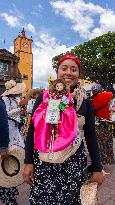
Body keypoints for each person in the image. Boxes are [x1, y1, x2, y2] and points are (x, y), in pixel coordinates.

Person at [24, 53, 104, 205]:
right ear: (57, 72)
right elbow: (32, 131)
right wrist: (28, 162)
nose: (68, 72)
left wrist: (97, 168)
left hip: (73, 165)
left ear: (78, 74)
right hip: (44, 163)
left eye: (73, 69)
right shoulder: (43, 98)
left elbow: (91, 136)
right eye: (64, 68)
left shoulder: (85, 102)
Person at [0, 79, 26, 205]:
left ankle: (11, 188)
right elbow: (5, 114)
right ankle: (7, 192)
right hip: (8, 130)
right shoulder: (4, 100)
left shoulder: (15, 99)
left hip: (15, 129)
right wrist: (17, 111)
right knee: (7, 161)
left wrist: (21, 112)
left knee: (17, 157)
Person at [92, 84, 114, 164]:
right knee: (108, 141)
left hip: (97, 123)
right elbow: (111, 94)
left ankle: (103, 159)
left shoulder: (92, 99)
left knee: (100, 142)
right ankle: (110, 159)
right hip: (106, 122)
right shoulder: (106, 95)